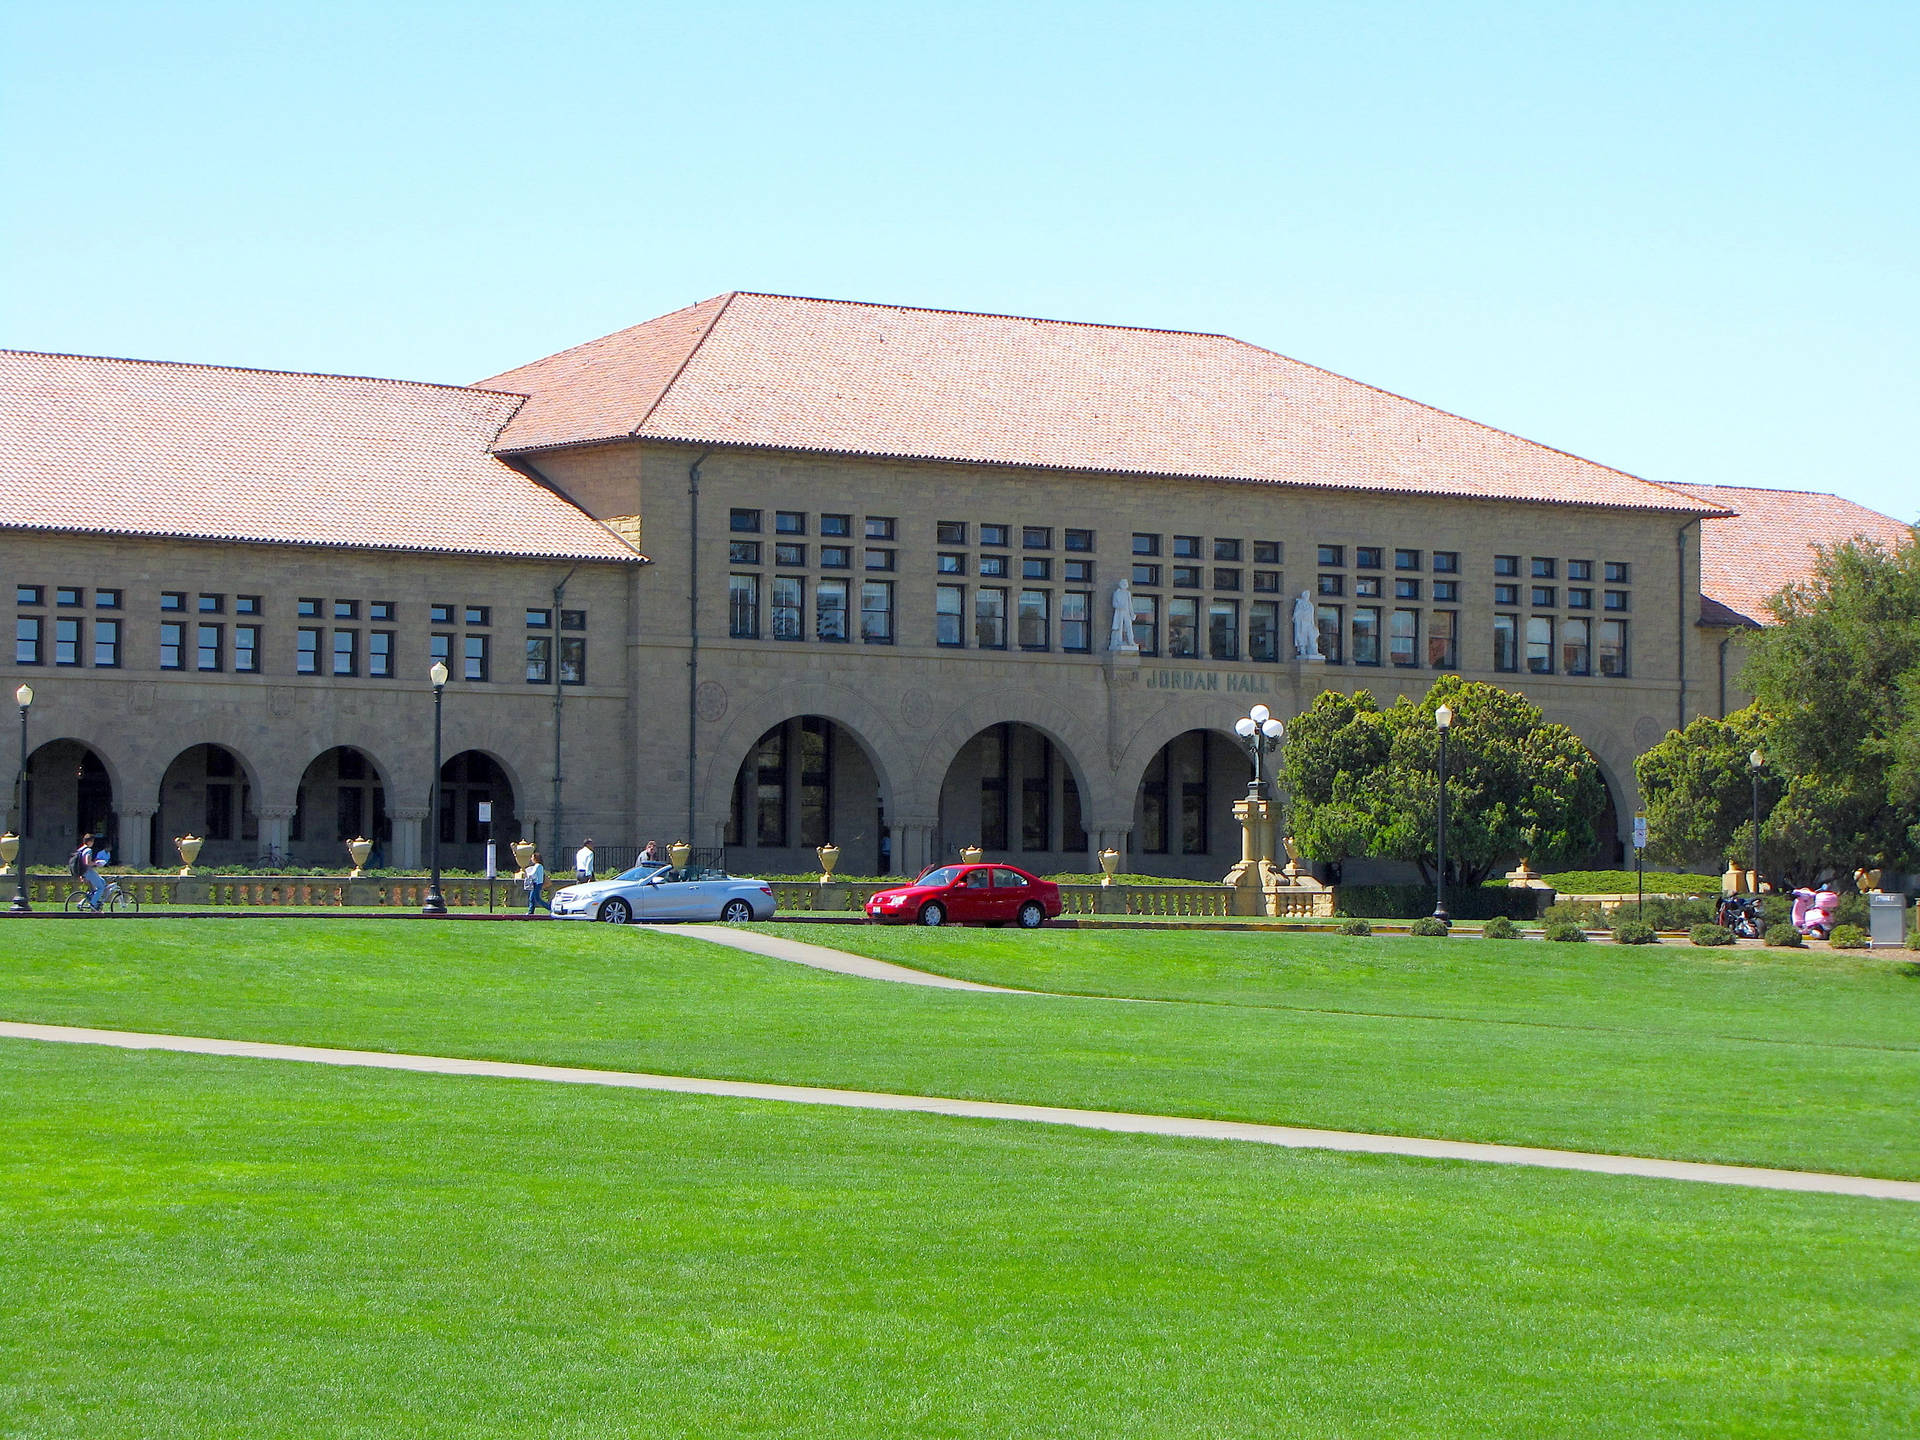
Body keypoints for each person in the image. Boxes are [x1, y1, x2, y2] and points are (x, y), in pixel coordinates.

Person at [72, 833, 106, 909]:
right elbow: (87, 862)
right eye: (93, 842)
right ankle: (93, 904)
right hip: (88, 872)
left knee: (103, 882)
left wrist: (81, 875)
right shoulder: (88, 850)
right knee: (100, 888)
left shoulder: (80, 849)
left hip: (83, 872)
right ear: (90, 842)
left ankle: (88, 900)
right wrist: (97, 863)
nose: (93, 843)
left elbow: (79, 863)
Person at [521, 852, 549, 916]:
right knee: (533, 898)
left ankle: (549, 908)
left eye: (532, 857)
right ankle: (531, 911)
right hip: (538, 883)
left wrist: (526, 874)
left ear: (536, 858)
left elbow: (532, 875)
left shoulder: (537, 866)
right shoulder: (540, 866)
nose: (531, 859)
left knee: (536, 899)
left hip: (537, 884)